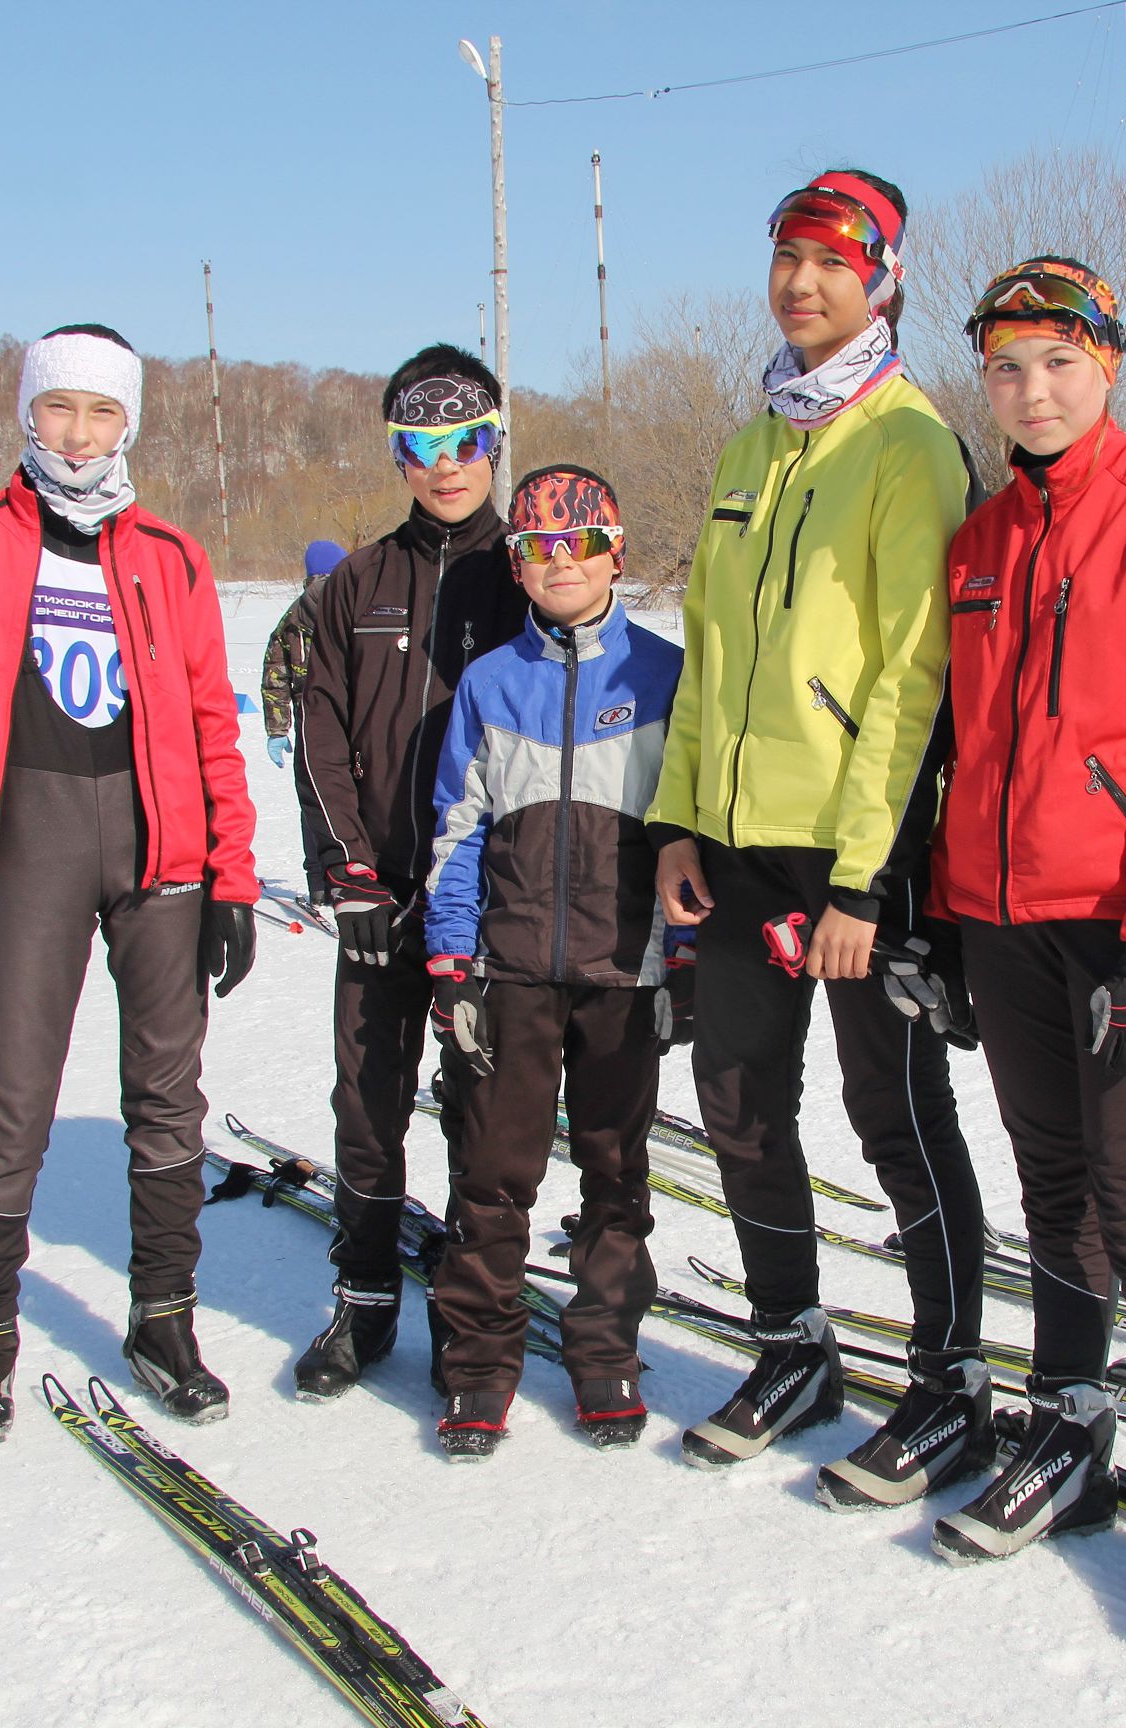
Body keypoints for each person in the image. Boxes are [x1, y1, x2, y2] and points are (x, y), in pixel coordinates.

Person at [924, 257, 1126, 1659]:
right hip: (998, 922)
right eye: (1007, 368)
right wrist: (939, 920)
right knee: (1048, 1186)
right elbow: (960, 745)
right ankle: (1070, 1435)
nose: (1033, 390)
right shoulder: (982, 539)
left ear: (1106, 367)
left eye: (1058, 364)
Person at [0, 323, 259, 1440]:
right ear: (29, 413)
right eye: (61, 408)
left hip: (156, 842)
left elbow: (212, 720)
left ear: (130, 423)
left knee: (167, 1099)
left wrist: (230, 874)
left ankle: (162, 1318)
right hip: (30, 833)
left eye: (103, 412)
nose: (80, 433)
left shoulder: (169, 553)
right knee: (14, 1096)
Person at [646, 168, 988, 1501]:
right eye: (787, 259)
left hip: (854, 857)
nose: (802, 283)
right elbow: (709, 655)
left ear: (882, 281)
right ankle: (793, 1345)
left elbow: (916, 680)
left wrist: (874, 878)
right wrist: (677, 821)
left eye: (832, 263)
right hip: (733, 846)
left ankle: (950, 1380)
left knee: (894, 1117)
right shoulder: (749, 446)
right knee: (738, 1104)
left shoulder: (908, 444)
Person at [422, 464, 687, 1459]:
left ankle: (605, 1341)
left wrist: (687, 959)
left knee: (618, 1172)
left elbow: (687, 826)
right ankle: (479, 1363)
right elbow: (457, 829)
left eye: (579, 545)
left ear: (616, 552)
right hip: (514, 969)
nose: (559, 563)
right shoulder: (491, 683)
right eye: (536, 549)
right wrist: (454, 962)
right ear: (518, 567)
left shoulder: (661, 673)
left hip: (627, 971)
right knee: (493, 1174)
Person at [293, 344, 531, 1399]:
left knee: (484, 1102)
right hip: (381, 889)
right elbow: (320, 731)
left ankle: (468, 1303)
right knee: (368, 1097)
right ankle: (365, 1293)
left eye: (466, 441)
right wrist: (346, 867)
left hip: (490, 893)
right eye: (422, 446)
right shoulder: (359, 581)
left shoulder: (530, 570)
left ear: (494, 443)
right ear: (398, 454)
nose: (447, 466)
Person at [260, 538, 349, 766]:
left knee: (318, 795)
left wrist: (277, 730)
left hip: (310, 722)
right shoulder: (360, 605)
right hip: (358, 721)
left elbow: (275, 678)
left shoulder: (291, 617)